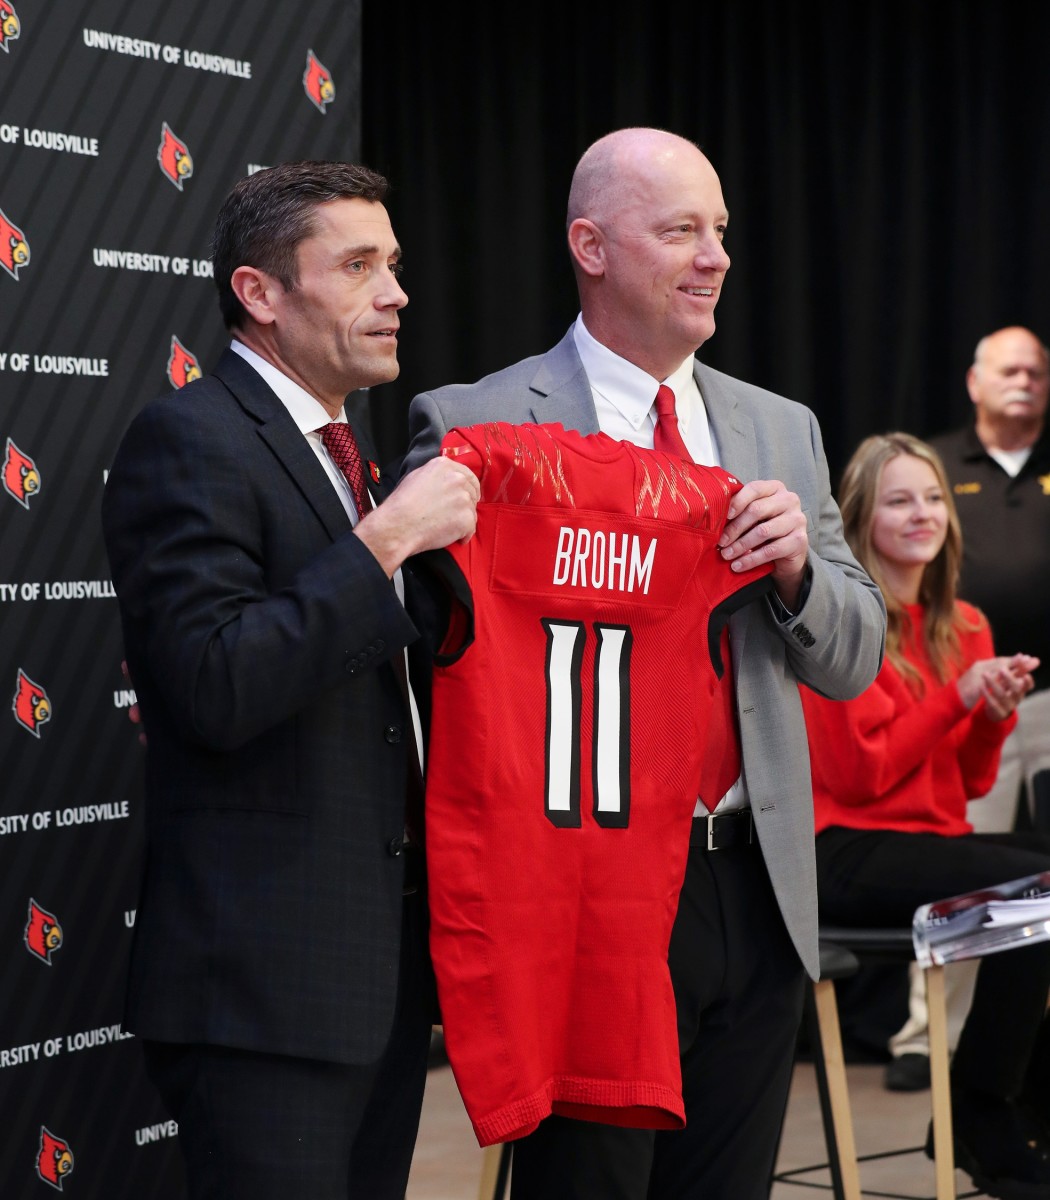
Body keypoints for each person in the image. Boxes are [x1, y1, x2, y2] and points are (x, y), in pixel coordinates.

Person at [402, 127, 886, 1200]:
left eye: (720, 232)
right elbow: (425, 673)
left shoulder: (778, 429)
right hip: (584, 902)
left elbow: (858, 658)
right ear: (591, 244)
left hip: (751, 886)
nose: (714, 257)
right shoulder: (476, 425)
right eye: (680, 231)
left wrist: (801, 571)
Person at [101, 161, 480, 1200]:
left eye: (394, 264)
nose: (396, 291)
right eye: (358, 265)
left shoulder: (343, 449)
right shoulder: (191, 437)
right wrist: (387, 540)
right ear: (259, 294)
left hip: (377, 974)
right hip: (262, 993)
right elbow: (215, 685)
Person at [801, 431, 1050, 1200]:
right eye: (899, 500)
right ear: (860, 516)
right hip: (841, 851)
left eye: (934, 497)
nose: (923, 514)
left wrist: (991, 714)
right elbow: (860, 771)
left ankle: (1003, 1108)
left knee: (1040, 894)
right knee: (1040, 886)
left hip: (929, 843)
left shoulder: (964, 623)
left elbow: (972, 781)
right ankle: (984, 1108)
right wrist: (960, 697)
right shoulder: (843, 618)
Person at [885, 327, 1050, 1093]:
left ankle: (1020, 1054)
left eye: (1036, 371)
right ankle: (929, 1036)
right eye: (1008, 369)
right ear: (973, 382)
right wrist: (966, 690)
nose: (1024, 380)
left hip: (1038, 697)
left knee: (1033, 889)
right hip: (950, 688)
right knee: (957, 872)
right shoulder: (937, 464)